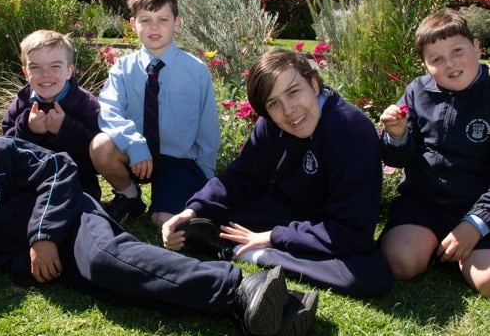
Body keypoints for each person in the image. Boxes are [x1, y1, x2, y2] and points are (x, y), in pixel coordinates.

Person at [0, 98, 319, 336]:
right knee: (120, 290)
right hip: (41, 266)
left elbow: (57, 169)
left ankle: (241, 287)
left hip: (71, 223)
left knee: (109, 261)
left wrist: (42, 235)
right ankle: (268, 311)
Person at [162, 48, 394, 298]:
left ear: (314, 84)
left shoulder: (350, 131)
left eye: (293, 92)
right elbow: (241, 179)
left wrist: (272, 238)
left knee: (368, 277)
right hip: (288, 210)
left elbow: (352, 232)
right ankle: (253, 246)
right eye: (274, 103)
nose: (289, 111)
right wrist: (193, 210)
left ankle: (256, 254)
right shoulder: (272, 123)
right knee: (211, 220)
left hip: (334, 227)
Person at [89, 0, 220, 229]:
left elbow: (207, 128)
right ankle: (129, 195)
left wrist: (206, 179)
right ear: (132, 25)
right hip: (135, 156)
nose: (154, 27)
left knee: (164, 222)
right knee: (101, 147)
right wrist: (135, 144)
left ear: (177, 23)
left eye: (163, 19)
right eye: (145, 19)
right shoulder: (122, 69)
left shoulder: (196, 71)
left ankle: (166, 200)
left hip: (177, 160)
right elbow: (109, 111)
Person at [378, 10, 490, 297]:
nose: (449, 63)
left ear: (477, 47)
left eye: (457, 50)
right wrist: (398, 136)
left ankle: (462, 250)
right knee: (400, 263)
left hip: (478, 203)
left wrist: (477, 223)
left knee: (488, 281)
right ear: (425, 65)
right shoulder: (417, 91)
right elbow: (396, 159)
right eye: (436, 59)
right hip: (423, 202)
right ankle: (436, 247)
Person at [2, 29, 103, 201]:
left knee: (79, 209)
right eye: (35, 67)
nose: (45, 74)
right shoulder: (21, 103)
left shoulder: (85, 103)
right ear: (25, 73)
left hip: (77, 179)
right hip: (32, 180)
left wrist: (65, 129)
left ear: (69, 70)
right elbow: (8, 146)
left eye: (55, 66)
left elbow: (97, 151)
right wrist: (28, 128)